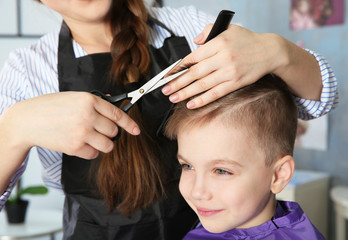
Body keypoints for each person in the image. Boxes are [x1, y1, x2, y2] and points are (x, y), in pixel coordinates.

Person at [0, 0, 337, 239]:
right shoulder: (29, 71)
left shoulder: (188, 28)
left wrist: (280, 53)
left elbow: (313, 104)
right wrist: (14, 129)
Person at [164, 74, 325, 240]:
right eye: (187, 166)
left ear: (278, 175)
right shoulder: (215, 220)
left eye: (221, 171)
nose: (197, 192)